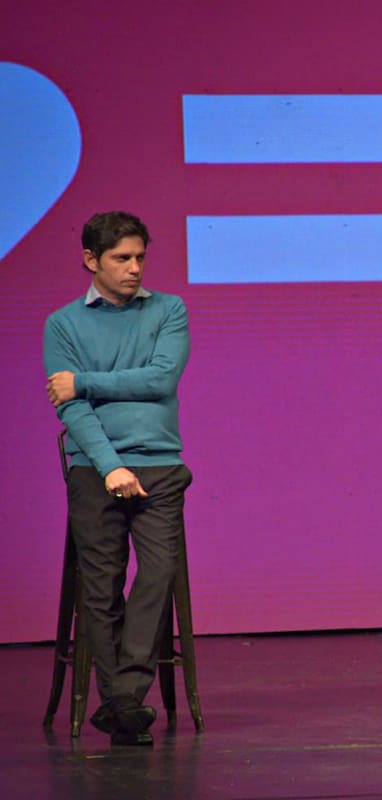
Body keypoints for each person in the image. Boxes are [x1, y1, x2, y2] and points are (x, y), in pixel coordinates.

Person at [43, 211, 192, 745]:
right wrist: (112, 468)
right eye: (121, 259)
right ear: (91, 260)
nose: (134, 269)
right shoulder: (62, 325)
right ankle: (124, 705)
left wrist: (83, 380)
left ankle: (124, 699)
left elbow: (160, 380)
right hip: (96, 469)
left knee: (157, 573)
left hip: (160, 465)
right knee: (101, 587)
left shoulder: (168, 310)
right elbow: (73, 413)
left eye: (140, 258)